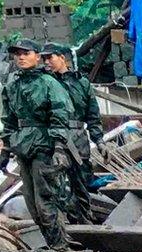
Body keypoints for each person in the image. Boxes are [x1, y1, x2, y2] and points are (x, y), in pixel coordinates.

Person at [0, 37, 73, 248]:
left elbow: (60, 115)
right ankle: (51, 245)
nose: (21, 57)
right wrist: (5, 151)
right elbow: (9, 120)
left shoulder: (49, 83)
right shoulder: (12, 85)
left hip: (45, 146)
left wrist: (59, 147)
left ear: (37, 57)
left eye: (26, 53)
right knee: (31, 203)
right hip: (23, 146)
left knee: (45, 200)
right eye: (18, 54)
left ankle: (59, 246)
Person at [45, 43, 97, 223]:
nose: (47, 62)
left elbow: (92, 115)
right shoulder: (45, 83)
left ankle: (85, 223)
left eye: (50, 57)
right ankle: (69, 225)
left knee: (82, 182)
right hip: (53, 138)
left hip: (78, 138)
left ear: (62, 58)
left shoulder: (82, 83)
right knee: (58, 185)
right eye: (44, 59)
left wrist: (100, 140)